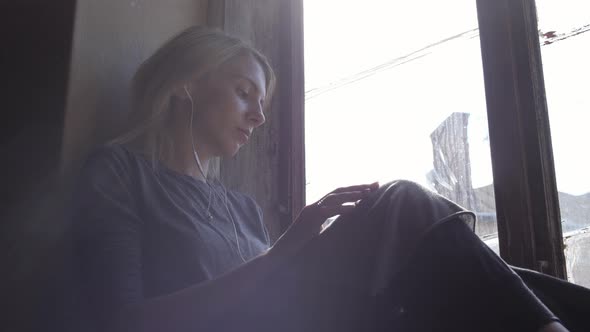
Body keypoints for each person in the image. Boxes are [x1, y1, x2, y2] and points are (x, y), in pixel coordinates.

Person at [71, 25, 572, 332]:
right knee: (402, 200)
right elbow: (123, 323)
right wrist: (284, 253)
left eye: (262, 103)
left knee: (466, 267)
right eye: (245, 93)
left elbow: (276, 295)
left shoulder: (237, 206)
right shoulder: (119, 172)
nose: (258, 117)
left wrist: (307, 250)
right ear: (185, 83)